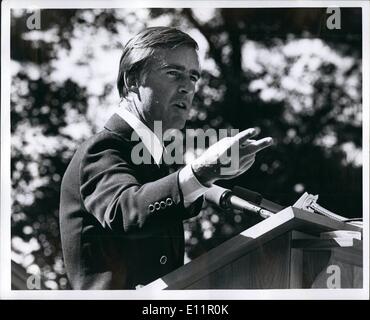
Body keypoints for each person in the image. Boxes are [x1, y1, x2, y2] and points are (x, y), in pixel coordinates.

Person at [59, 26, 273, 289]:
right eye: (173, 73)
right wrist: (201, 173)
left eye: (193, 77)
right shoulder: (103, 148)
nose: (187, 88)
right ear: (132, 81)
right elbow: (126, 210)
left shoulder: (157, 160)